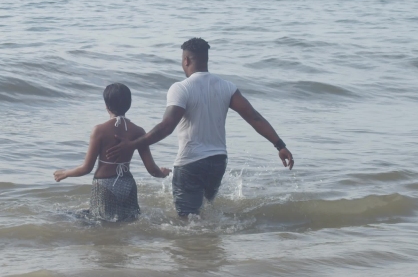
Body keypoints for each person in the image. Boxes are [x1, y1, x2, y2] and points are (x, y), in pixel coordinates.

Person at [107, 38, 294, 217]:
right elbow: (254, 117)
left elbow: (166, 126)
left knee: (187, 221)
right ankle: (209, 247)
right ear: (206, 59)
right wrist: (280, 145)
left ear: (186, 60)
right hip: (218, 162)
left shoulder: (181, 88)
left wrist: (132, 144)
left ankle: (195, 249)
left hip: (191, 163)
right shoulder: (227, 87)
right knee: (204, 214)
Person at [54, 83, 171, 221]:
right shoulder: (138, 131)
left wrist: (66, 173)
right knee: (128, 222)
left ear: (106, 105)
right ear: (129, 104)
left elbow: (87, 168)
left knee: (99, 223)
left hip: (105, 185)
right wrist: (162, 173)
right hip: (128, 185)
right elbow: (152, 169)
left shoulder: (99, 130)